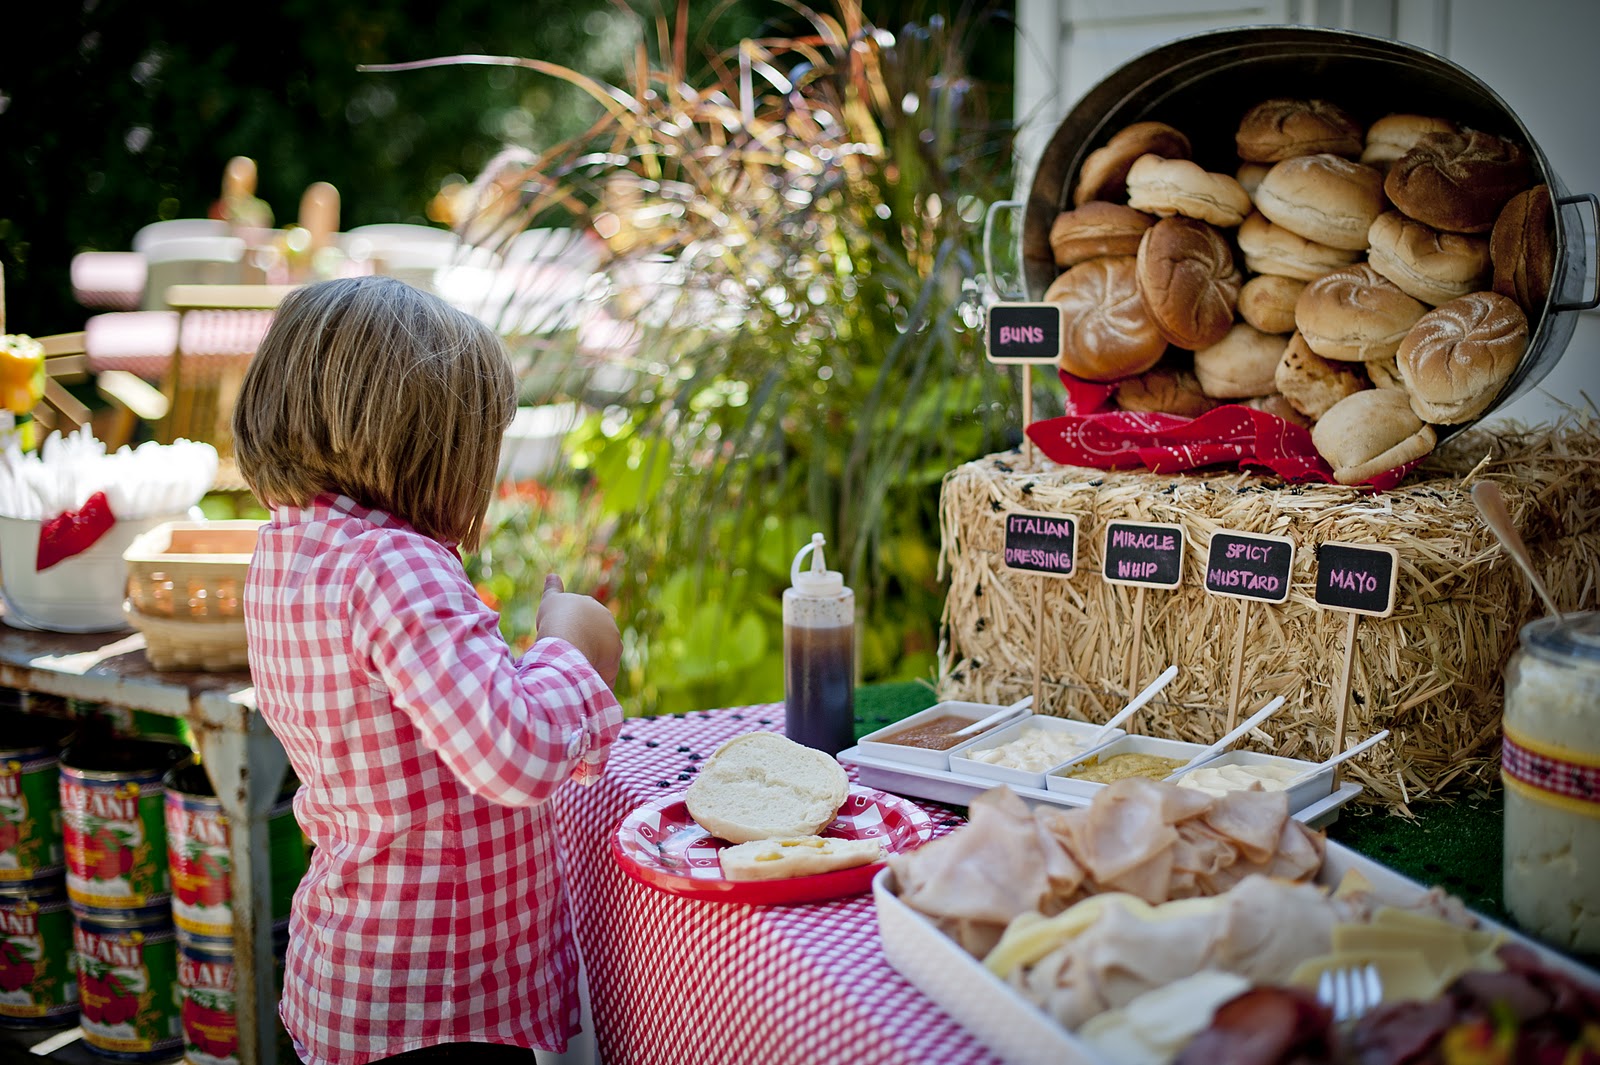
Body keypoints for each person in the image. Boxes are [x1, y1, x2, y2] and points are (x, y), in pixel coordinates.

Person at [232, 275, 623, 1065]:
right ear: (430, 443)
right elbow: (511, 755)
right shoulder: (392, 565)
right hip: (436, 1006)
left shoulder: (289, 550)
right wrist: (572, 648)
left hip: (356, 980)